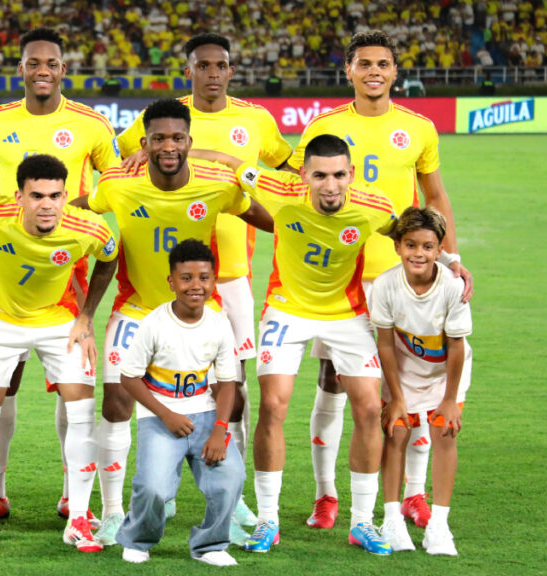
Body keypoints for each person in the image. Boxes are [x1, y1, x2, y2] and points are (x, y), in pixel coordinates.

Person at [287, 30, 471, 531]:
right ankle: (326, 496)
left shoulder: (419, 128)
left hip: (401, 280)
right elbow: (300, 192)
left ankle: (412, 494)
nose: (374, 71)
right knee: (332, 384)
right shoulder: (323, 126)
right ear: (348, 70)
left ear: (394, 71)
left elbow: (435, 197)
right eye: (364, 63)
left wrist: (449, 257)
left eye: (383, 64)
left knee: (412, 389)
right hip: (338, 279)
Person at [115, 33, 292, 541]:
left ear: (231, 70)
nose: (212, 73)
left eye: (221, 65)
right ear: (188, 69)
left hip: (231, 275)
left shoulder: (256, 120)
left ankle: (231, 500)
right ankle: (157, 488)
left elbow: (284, 173)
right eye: (203, 65)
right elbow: (129, 156)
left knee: (230, 381)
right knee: (157, 374)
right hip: (168, 281)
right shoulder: (163, 119)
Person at [74, 97, 273, 545]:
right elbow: (81, 205)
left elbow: (272, 220)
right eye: (159, 138)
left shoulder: (218, 184)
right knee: (115, 403)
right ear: (143, 143)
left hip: (200, 312)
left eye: (177, 138)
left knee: (231, 395)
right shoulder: (118, 184)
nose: (169, 146)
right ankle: (111, 512)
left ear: (189, 141)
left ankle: (229, 500)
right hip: (138, 307)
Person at [0, 26, 119, 527]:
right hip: (9, 262)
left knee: (70, 386)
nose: (43, 70)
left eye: (51, 62)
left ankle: (75, 497)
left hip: (68, 267)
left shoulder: (92, 124)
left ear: (64, 69)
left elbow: (112, 186)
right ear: (22, 69)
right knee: (2, 387)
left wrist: (68, 210)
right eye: (34, 62)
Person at [209, 134, 396, 555]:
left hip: (348, 313)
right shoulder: (277, 187)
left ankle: (362, 522)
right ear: (304, 176)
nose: (330, 186)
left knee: (368, 406)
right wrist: (157, 154)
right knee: (274, 405)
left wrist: (448, 265)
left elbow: (409, 232)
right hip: (287, 308)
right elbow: (226, 158)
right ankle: (268, 519)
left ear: (351, 174)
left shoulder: (373, 204)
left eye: (338, 175)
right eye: (319, 176)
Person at [0, 154, 118, 554]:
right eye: (37, 195)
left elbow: (108, 261)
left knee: (81, 411)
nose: (48, 205)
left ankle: (78, 518)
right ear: (18, 197)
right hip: (0, 322)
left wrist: (86, 315)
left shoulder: (89, 226)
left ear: (65, 196)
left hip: (60, 323)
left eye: (56, 196)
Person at [115, 239, 244, 567]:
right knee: (154, 487)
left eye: (203, 277)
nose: (195, 285)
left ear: (214, 281)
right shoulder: (154, 325)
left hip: (205, 416)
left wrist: (219, 429)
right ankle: (138, 539)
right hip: (160, 418)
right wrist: (167, 414)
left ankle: (210, 544)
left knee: (230, 478)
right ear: (171, 282)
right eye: (186, 278)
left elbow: (228, 384)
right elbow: (129, 378)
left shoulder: (219, 324)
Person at [373, 206, 471, 556]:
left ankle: (439, 526)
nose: (419, 253)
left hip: (446, 373)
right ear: (398, 246)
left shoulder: (453, 287)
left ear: (439, 250)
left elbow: (456, 347)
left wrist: (449, 398)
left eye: (427, 247)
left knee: (445, 431)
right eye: (411, 245)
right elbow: (384, 343)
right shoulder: (385, 285)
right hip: (403, 369)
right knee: (396, 430)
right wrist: (396, 397)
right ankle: (392, 520)